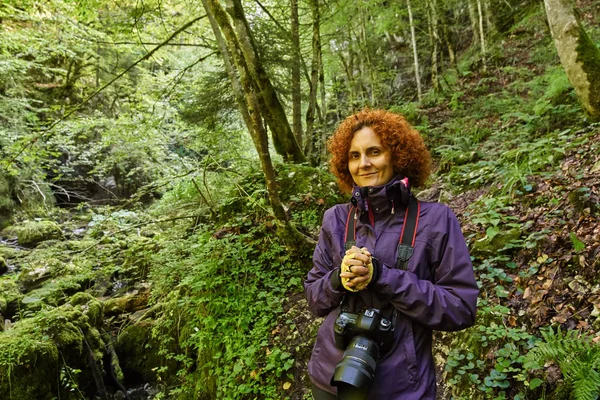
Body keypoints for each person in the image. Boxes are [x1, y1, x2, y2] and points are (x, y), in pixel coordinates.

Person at [304, 108, 479, 399]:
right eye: (354, 156)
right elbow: (313, 297)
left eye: (375, 151)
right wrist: (339, 280)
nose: (364, 164)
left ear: (398, 155)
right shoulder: (335, 219)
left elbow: (460, 308)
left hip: (403, 387)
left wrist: (383, 276)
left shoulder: (435, 220)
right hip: (329, 380)